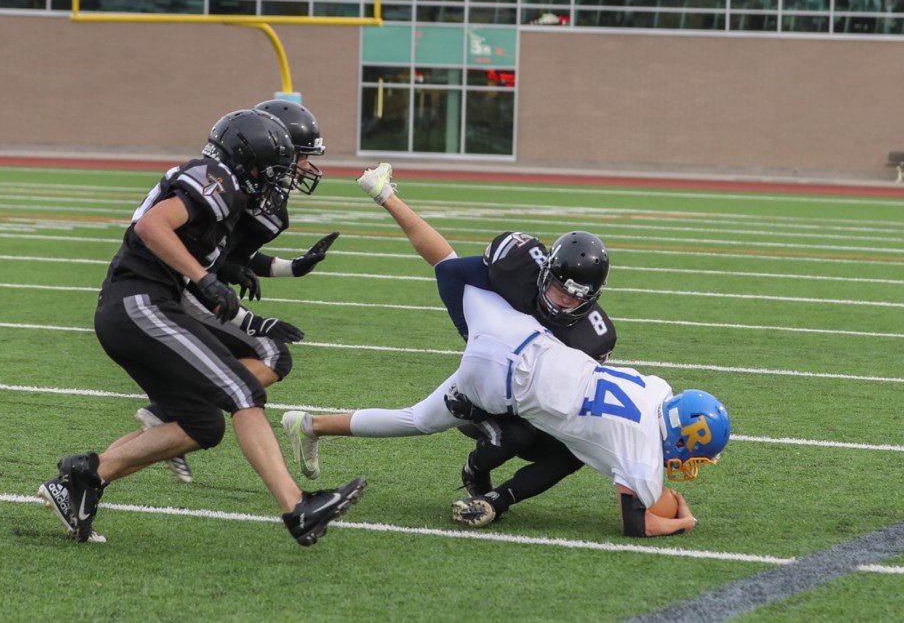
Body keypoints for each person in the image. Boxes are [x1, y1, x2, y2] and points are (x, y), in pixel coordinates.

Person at [38, 108, 365, 546]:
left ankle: (83, 478)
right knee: (245, 392)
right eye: (277, 168)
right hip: (139, 302)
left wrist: (251, 278)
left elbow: (215, 263)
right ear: (251, 163)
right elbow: (152, 225)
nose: (283, 177)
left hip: (145, 308)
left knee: (203, 426)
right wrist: (206, 279)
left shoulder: (231, 199)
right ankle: (297, 508)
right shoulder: (218, 178)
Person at [281, 164, 617, 508]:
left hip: (527, 387)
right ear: (545, 270)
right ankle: (314, 426)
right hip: (490, 365)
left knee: (431, 421)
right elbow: (449, 268)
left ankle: (309, 425)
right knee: (432, 421)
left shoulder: (594, 337)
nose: (565, 300)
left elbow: (572, 399)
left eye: (578, 296)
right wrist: (475, 341)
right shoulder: (519, 264)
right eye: (561, 289)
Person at [436, 266, 730, 536]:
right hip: (516, 398)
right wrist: (683, 522)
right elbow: (638, 525)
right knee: (511, 432)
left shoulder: (657, 389)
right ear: (679, 439)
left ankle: (494, 500)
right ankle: (474, 420)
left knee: (571, 454)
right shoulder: (642, 456)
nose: (691, 463)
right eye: (694, 455)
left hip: (541, 366)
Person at [135, 99, 339, 484]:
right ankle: (169, 413)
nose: (309, 168)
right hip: (165, 285)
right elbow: (201, 258)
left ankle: (169, 416)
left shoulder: (264, 202)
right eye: (302, 157)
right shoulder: (223, 185)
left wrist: (291, 268)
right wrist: (252, 320)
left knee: (258, 358)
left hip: (183, 282)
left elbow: (229, 258)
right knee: (267, 354)